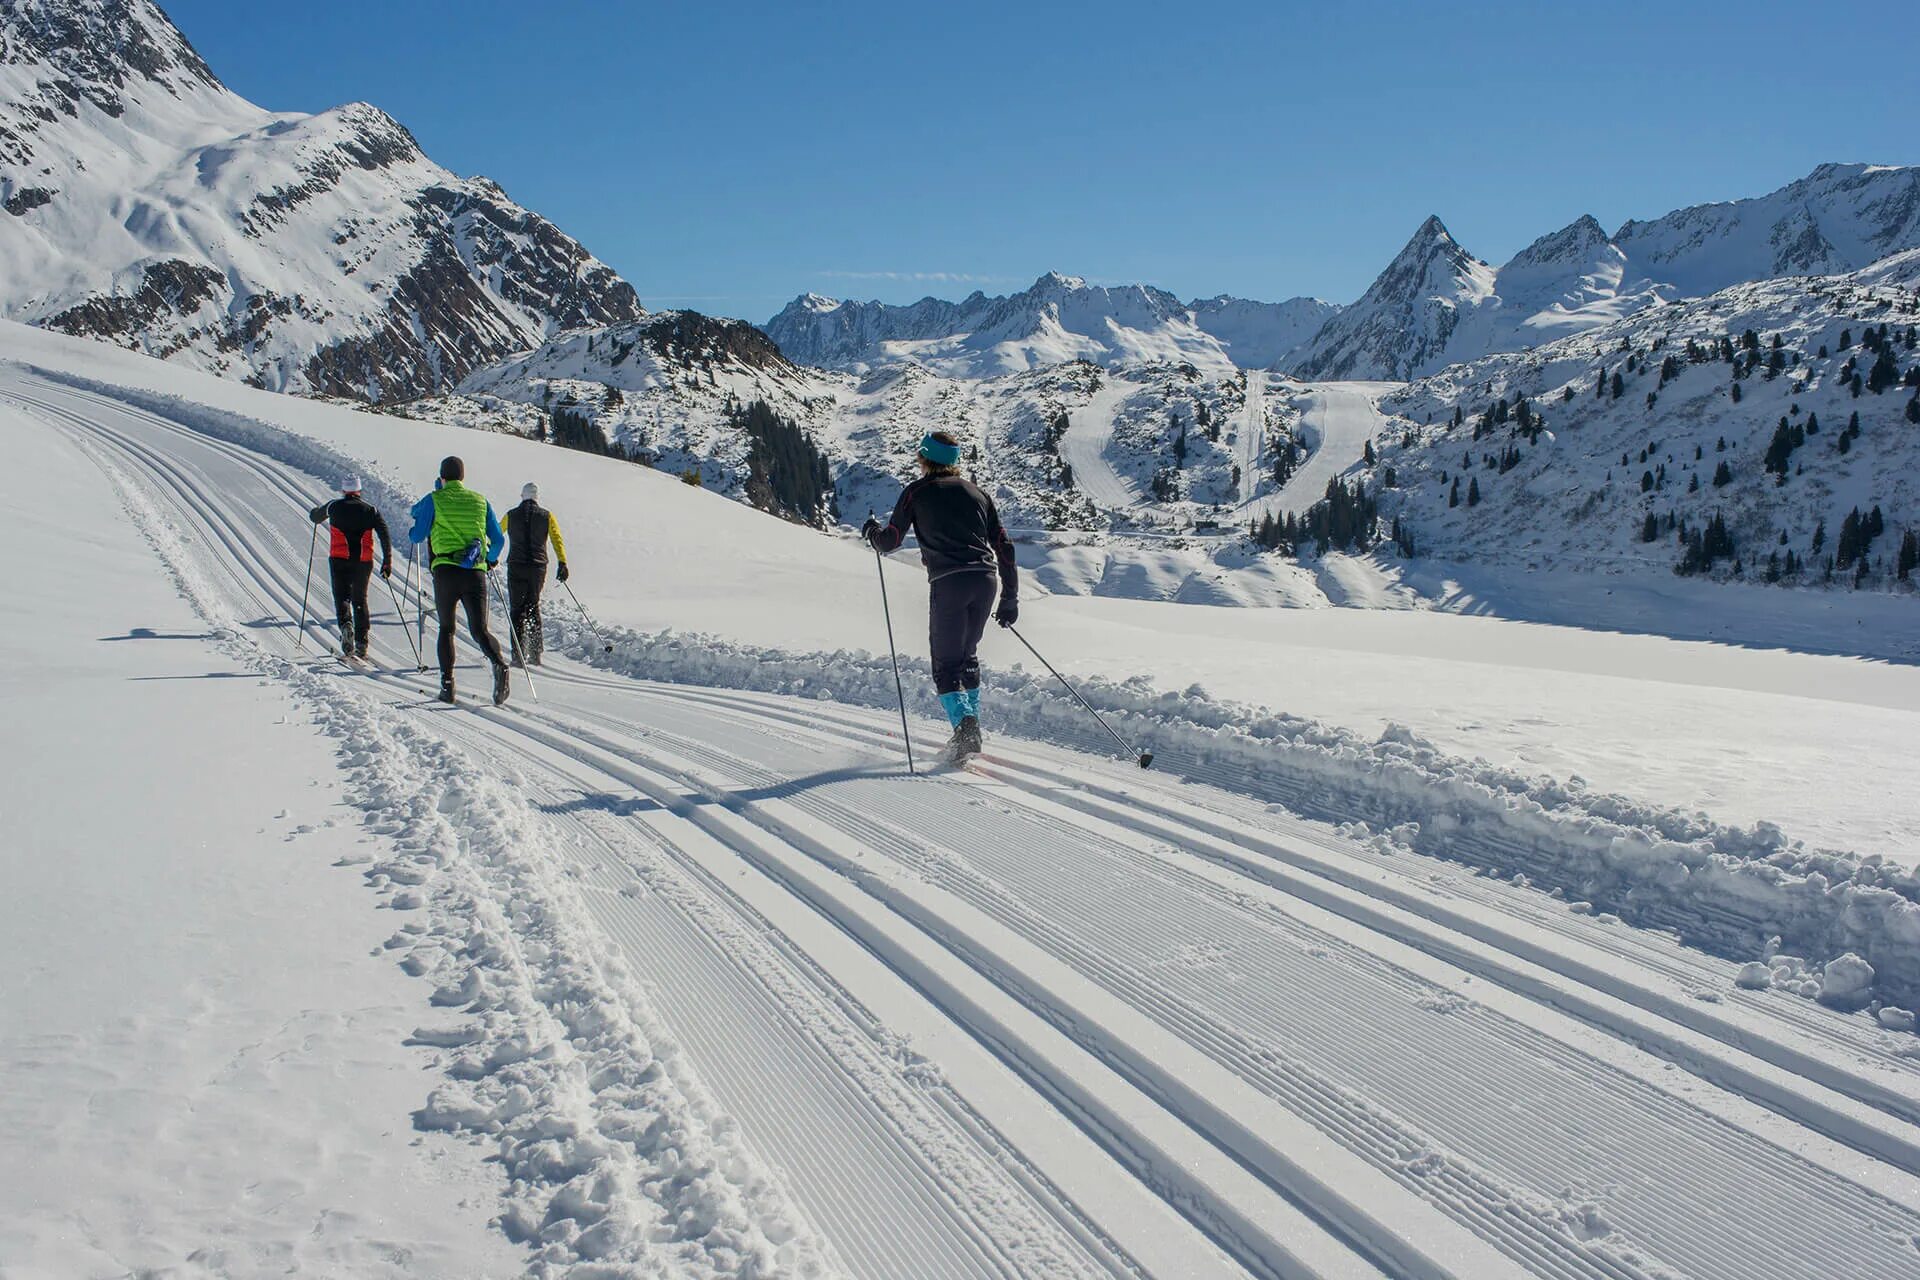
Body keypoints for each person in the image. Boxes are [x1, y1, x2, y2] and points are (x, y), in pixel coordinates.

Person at [862, 430, 1018, 760]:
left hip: (950, 582)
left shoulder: (916, 493)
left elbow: (889, 541)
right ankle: (969, 725)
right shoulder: (978, 493)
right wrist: (1010, 597)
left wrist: (871, 532)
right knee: (967, 655)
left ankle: (966, 729)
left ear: (923, 457)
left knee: (945, 664)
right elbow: (1004, 546)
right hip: (986, 580)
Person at [409, 456, 509, 705]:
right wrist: (492, 559)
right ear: (462, 477)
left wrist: (416, 524)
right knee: (479, 630)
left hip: (446, 570)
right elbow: (498, 540)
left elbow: (418, 534)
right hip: (475, 572)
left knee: (447, 628)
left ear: (442, 477)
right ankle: (500, 665)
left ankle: (447, 686)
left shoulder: (435, 499)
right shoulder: (480, 501)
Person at [308, 475, 392, 660]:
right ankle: (362, 642)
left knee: (342, 596)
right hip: (363, 560)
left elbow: (315, 517)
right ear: (359, 490)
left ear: (344, 490)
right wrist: (387, 561)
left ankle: (346, 625)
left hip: (339, 559)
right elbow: (384, 533)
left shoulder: (334, 506)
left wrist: (314, 512)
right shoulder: (371, 510)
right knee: (360, 599)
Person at [502, 482, 570, 668]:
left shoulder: (510, 515)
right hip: (538, 567)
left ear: (522, 495)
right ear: (537, 497)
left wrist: (487, 554)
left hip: (516, 565)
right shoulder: (547, 516)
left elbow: (497, 534)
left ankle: (518, 654)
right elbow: (557, 539)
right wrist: (562, 562)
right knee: (533, 605)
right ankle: (535, 652)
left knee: (517, 609)